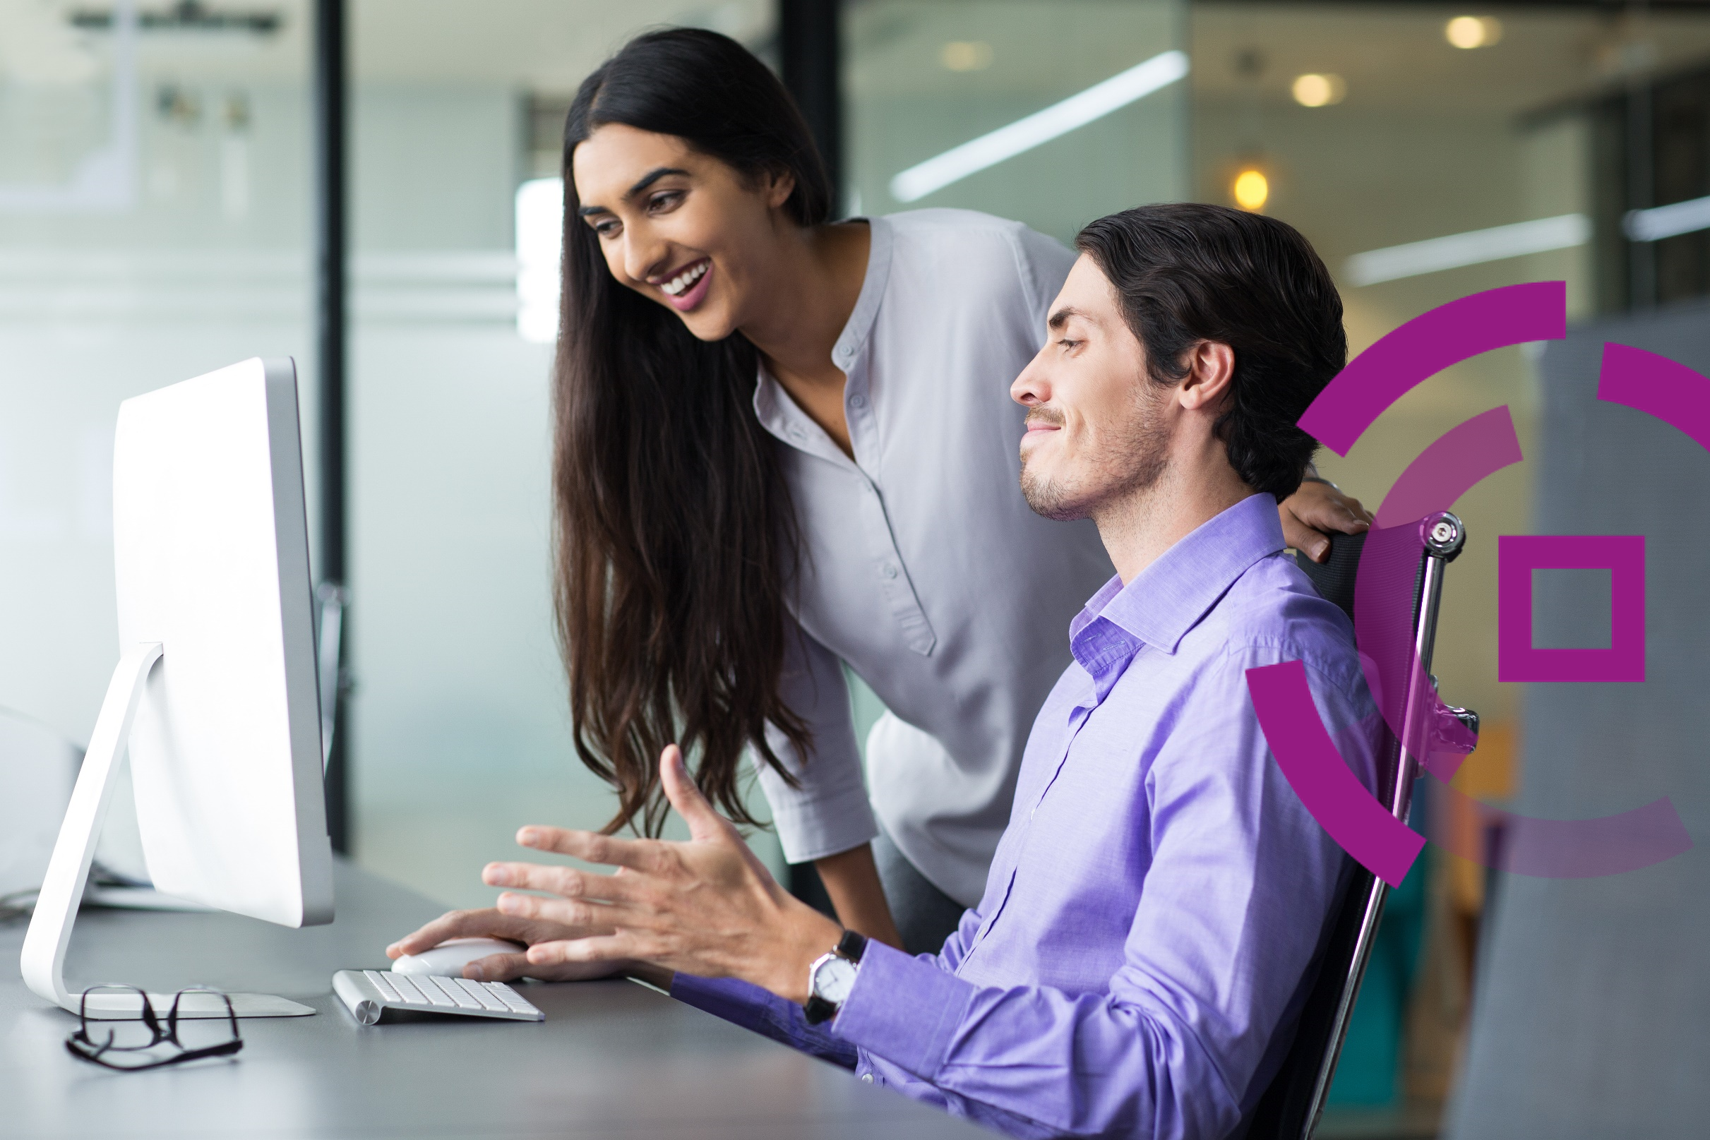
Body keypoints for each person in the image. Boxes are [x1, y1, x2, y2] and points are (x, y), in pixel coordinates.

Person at [391, 203, 1382, 1139]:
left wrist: (808, 956)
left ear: (1197, 373)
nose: (1025, 380)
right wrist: (669, 948)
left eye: (1072, 340)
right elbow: (965, 990)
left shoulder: (1267, 671)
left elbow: (1173, 1090)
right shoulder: (1105, 664)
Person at [548, 28, 1370, 952]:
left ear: (771, 171)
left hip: (1119, 827)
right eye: (606, 226)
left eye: (663, 198)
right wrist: (868, 969)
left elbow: (1157, 399)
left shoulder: (986, 274)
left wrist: (1267, 491)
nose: (635, 256)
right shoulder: (701, 436)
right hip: (938, 848)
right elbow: (802, 731)